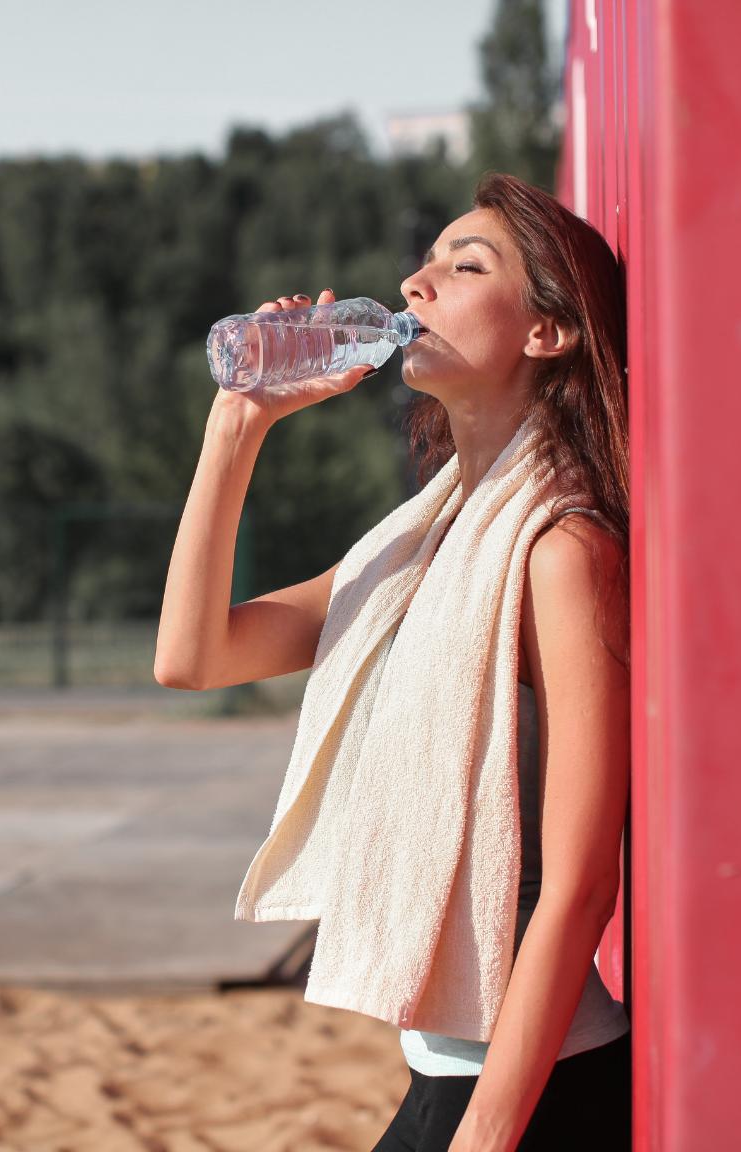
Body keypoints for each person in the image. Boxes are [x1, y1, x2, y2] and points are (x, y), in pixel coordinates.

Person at [154, 171, 632, 1150]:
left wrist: (485, 1135)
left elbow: (582, 884)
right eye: (424, 263)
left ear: (547, 332)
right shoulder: (423, 542)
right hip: (445, 1084)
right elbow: (191, 656)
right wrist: (238, 424)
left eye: (464, 267)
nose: (415, 286)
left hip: (534, 1097)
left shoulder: (557, 549)